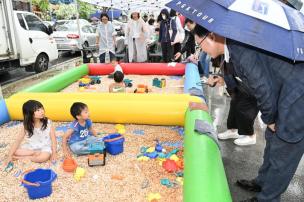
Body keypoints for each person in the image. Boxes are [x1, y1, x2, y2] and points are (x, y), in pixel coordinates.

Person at [193, 24, 304, 202]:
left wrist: (269, 118)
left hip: (297, 97)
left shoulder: (242, 50)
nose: (201, 49)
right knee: (272, 141)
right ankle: (262, 182)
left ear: (212, 36)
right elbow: (245, 76)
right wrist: (223, 79)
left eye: (200, 43)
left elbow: (262, 88)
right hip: (283, 92)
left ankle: (268, 198)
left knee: (284, 150)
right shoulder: (233, 48)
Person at [215, 62, 259, 146]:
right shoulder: (227, 52)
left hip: (249, 80)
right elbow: (226, 64)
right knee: (235, 102)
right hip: (236, 77)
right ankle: (233, 129)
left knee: (245, 105)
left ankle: (250, 136)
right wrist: (221, 77)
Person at [5, 100, 57, 164]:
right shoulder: (26, 125)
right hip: (31, 147)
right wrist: (9, 156)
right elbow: (18, 140)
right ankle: (33, 153)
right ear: (29, 113)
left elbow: (53, 139)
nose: (42, 111)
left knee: (43, 158)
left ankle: (19, 158)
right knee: (15, 151)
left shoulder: (48, 122)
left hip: (45, 147)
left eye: (42, 108)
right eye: (38, 110)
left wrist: (54, 153)